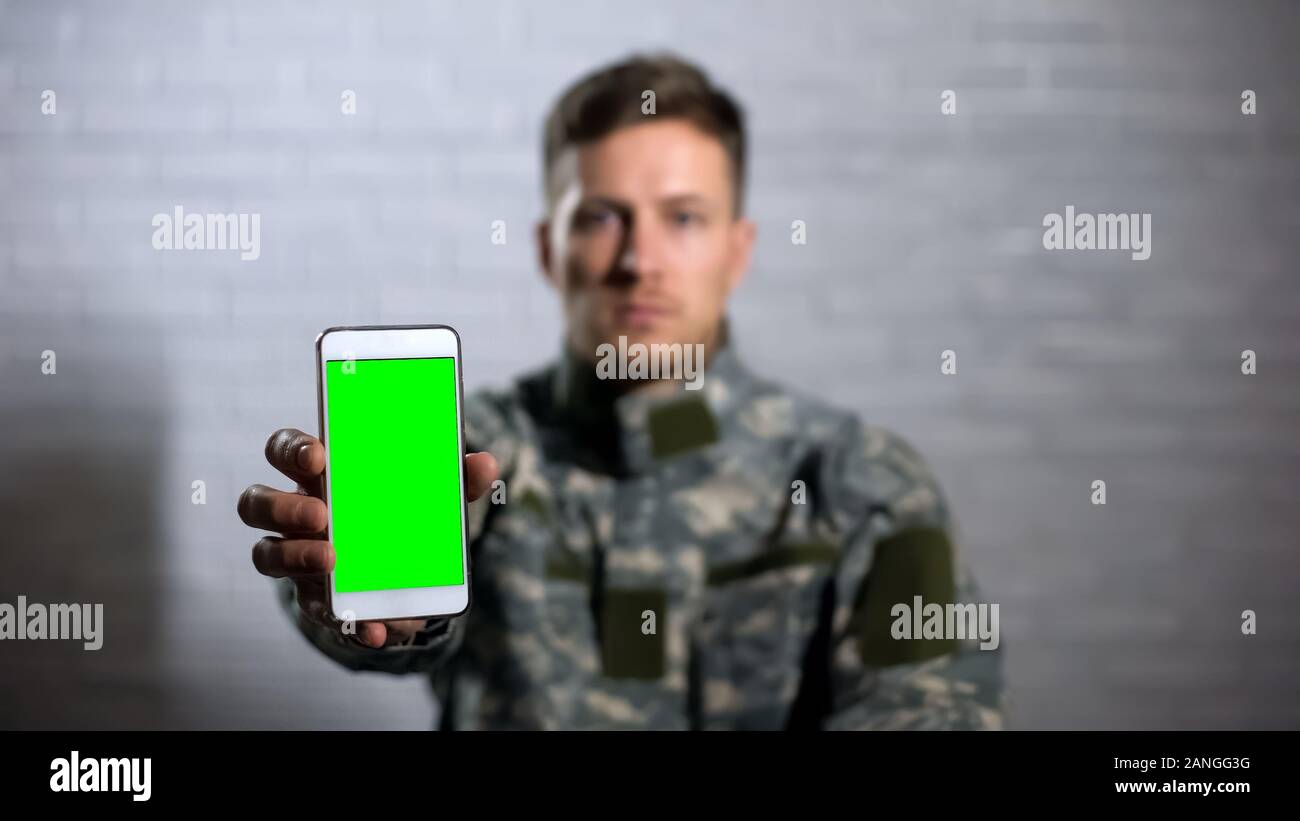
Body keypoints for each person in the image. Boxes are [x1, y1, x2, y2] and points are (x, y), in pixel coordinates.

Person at [237, 52, 1005, 730]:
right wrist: (373, 606)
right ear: (548, 249)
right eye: (602, 217)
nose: (641, 260)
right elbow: (379, 627)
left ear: (738, 252)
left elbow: (934, 710)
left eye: (684, 218)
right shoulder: (470, 453)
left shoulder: (864, 480)